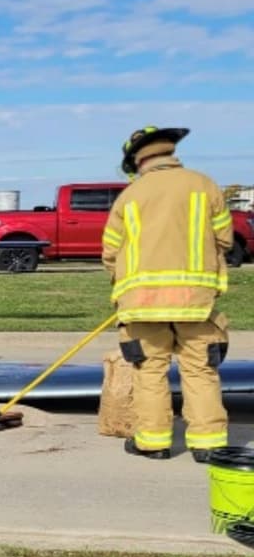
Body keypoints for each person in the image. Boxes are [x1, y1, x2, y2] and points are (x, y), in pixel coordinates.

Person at [102, 126, 233, 463]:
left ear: (136, 160)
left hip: (141, 305)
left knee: (149, 371)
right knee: (201, 370)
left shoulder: (130, 197)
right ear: (170, 152)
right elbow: (225, 239)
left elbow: (110, 252)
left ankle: (154, 442)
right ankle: (209, 444)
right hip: (196, 303)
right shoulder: (204, 185)